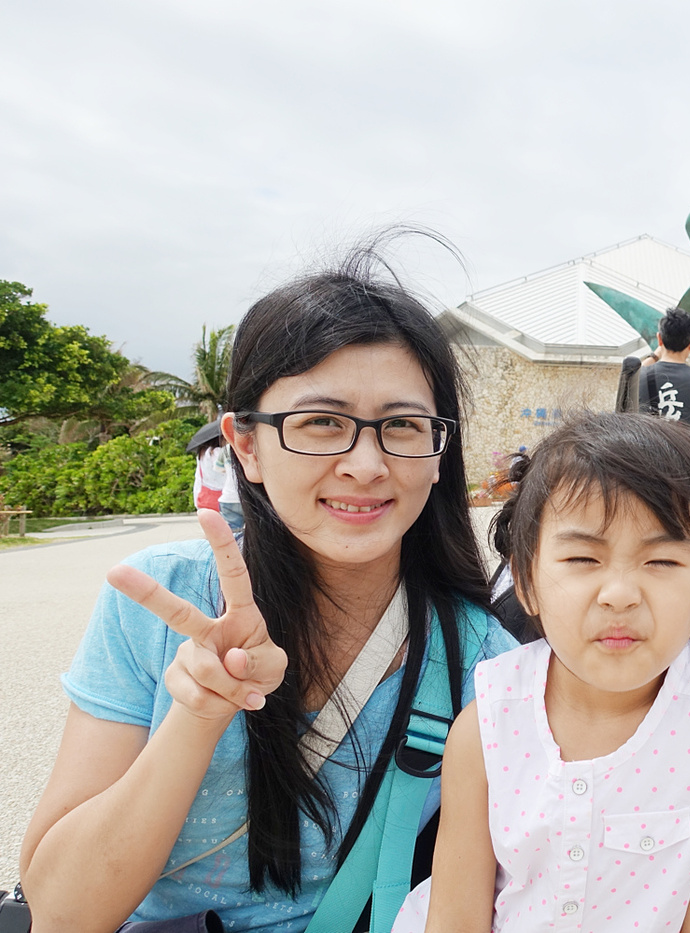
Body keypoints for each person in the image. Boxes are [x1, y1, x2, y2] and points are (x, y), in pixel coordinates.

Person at [19, 245, 517, 932]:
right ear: (245, 445)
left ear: (438, 453)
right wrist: (198, 711)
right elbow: (60, 913)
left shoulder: (485, 658)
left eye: (401, 425)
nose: (367, 465)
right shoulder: (161, 603)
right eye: (322, 422)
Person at [391, 411, 690, 933]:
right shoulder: (488, 724)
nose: (620, 594)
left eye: (661, 563)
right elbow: (457, 912)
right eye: (584, 559)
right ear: (527, 581)